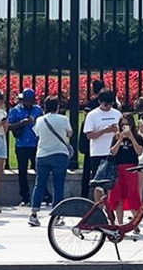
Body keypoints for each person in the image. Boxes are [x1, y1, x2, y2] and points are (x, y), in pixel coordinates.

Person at [28, 95, 72, 227]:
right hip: (59, 154)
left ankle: (34, 214)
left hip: (42, 154)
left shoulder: (40, 120)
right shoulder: (63, 119)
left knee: (39, 184)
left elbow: (36, 134)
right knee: (58, 185)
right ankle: (56, 216)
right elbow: (69, 133)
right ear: (58, 107)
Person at [81, 90, 121, 203]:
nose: (108, 107)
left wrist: (116, 131)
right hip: (98, 152)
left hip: (113, 151)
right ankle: (99, 205)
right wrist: (103, 131)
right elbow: (89, 135)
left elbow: (122, 133)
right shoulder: (92, 115)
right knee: (99, 182)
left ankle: (111, 205)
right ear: (100, 102)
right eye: (105, 104)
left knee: (113, 181)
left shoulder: (117, 114)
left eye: (110, 104)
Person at [105, 113, 143, 227]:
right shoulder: (116, 137)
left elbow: (139, 152)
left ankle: (135, 223)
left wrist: (131, 138)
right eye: (122, 125)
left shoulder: (137, 137)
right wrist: (120, 138)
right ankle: (120, 224)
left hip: (131, 168)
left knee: (133, 196)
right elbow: (113, 152)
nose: (124, 127)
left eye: (127, 125)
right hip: (118, 168)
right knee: (118, 197)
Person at [8, 88, 44, 206]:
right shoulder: (15, 110)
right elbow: (8, 126)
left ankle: (43, 194)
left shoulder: (38, 110)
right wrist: (21, 124)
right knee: (22, 171)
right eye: (26, 101)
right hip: (22, 144)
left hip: (35, 144)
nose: (28, 103)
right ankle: (25, 196)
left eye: (30, 101)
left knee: (39, 170)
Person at [79, 79, 108, 198]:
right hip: (106, 143)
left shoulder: (91, 104)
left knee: (88, 171)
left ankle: (84, 195)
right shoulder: (109, 102)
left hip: (91, 143)